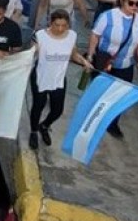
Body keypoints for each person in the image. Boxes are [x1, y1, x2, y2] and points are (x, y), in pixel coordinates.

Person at [28, 9, 93, 150]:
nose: (60, 28)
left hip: (59, 78)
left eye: (64, 25)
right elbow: (32, 52)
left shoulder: (72, 36)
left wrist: (83, 62)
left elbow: (73, 54)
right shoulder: (40, 35)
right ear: (51, 23)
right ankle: (33, 131)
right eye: (57, 25)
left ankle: (44, 126)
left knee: (58, 110)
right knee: (38, 106)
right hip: (41, 76)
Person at [87, 0, 138, 138]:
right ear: (122, 2)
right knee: (100, 91)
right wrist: (90, 54)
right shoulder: (108, 16)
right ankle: (93, 119)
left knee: (120, 95)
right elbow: (95, 35)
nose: (134, 6)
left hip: (125, 64)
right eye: (131, 3)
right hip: (105, 60)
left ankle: (112, 123)